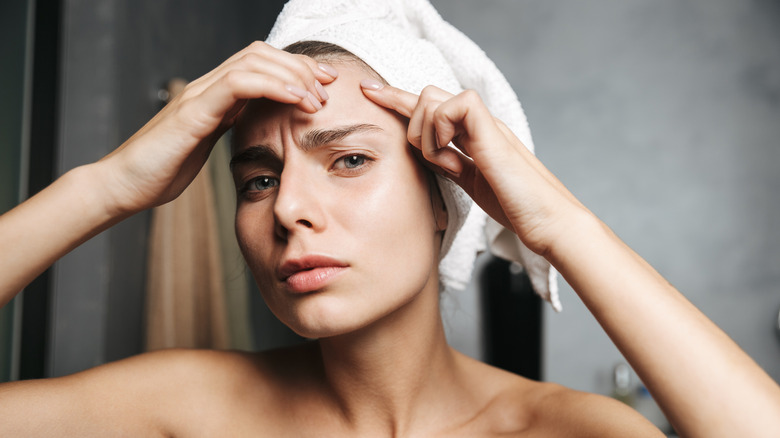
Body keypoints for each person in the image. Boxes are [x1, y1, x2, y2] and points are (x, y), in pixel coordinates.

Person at [1, 1, 779, 437]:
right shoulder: (184, 410)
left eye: (348, 160)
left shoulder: (566, 432)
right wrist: (106, 185)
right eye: (259, 179)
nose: (292, 210)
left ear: (448, 197)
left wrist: (561, 226)